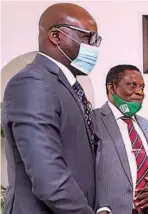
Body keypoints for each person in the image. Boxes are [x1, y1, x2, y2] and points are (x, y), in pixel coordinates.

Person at [1, 3, 101, 214]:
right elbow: (49, 176)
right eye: (87, 38)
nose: (93, 48)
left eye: (96, 40)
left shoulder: (68, 86)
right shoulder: (33, 82)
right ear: (55, 36)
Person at [94, 65, 148, 214]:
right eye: (132, 85)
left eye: (142, 87)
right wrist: (100, 207)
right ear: (112, 88)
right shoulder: (92, 122)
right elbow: (81, 173)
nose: (140, 92)